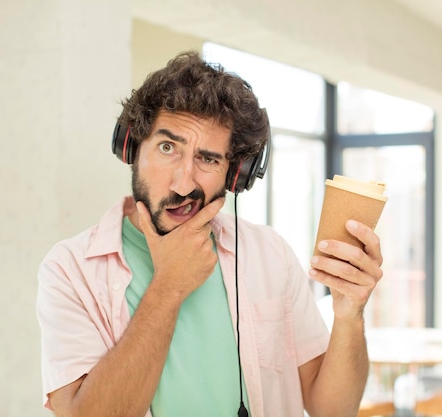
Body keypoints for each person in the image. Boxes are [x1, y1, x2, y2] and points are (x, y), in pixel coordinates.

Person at [36, 51, 384, 417]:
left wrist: (349, 316)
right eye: (167, 147)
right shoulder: (69, 269)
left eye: (208, 159)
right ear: (132, 148)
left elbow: (333, 410)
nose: (184, 182)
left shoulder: (270, 254)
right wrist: (169, 286)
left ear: (235, 176)